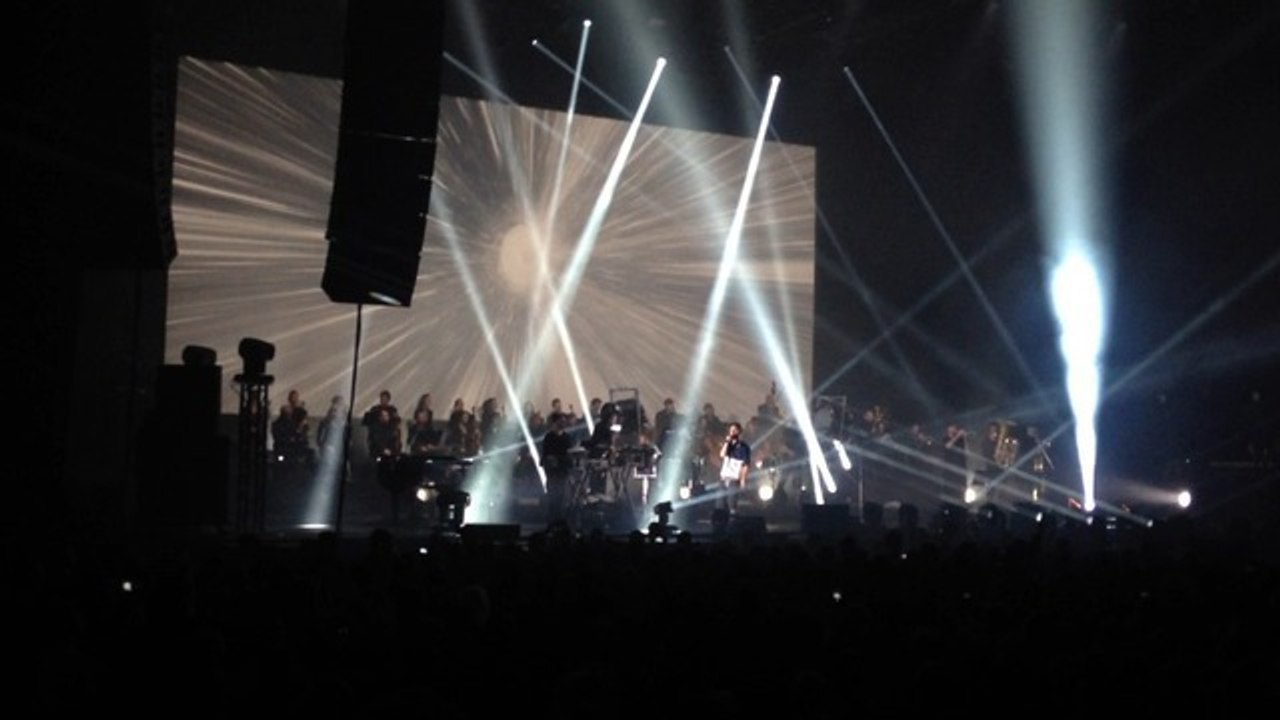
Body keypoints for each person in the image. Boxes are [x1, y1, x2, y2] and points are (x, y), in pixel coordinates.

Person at [540, 412, 574, 524]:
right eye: (561, 421)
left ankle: (559, 519)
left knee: (562, 496)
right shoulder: (549, 437)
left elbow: (570, 452)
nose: (564, 423)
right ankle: (552, 519)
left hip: (563, 469)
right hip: (553, 470)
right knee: (553, 495)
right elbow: (547, 455)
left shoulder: (567, 437)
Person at [719, 422, 751, 512]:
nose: (732, 432)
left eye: (735, 430)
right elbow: (722, 454)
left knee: (732, 503)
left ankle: (733, 519)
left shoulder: (744, 447)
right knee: (721, 504)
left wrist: (743, 479)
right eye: (731, 430)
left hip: (734, 478)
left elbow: (746, 464)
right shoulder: (727, 445)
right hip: (723, 478)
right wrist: (726, 442)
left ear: (739, 432)